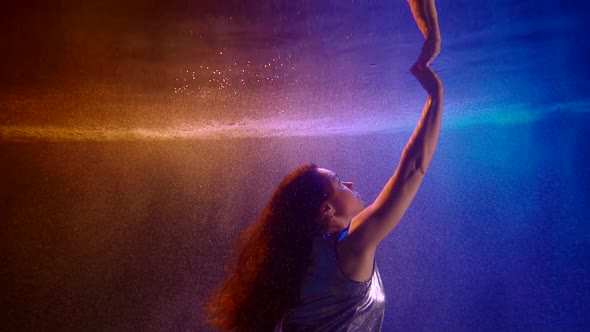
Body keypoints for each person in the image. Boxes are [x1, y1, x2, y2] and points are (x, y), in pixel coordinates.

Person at [206, 0, 442, 330]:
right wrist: (435, 95)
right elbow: (413, 170)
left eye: (340, 179)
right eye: (339, 182)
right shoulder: (351, 247)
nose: (350, 185)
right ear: (327, 210)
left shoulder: (301, 261)